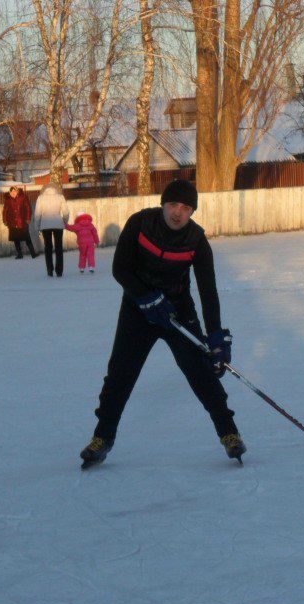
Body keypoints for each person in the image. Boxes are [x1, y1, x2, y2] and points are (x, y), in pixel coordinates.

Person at [79, 179, 245, 470]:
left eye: (185, 208)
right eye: (173, 205)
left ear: (192, 211)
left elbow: (208, 290)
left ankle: (229, 432)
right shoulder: (141, 224)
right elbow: (121, 268)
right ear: (163, 204)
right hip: (138, 309)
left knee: (201, 373)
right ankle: (102, 438)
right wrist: (145, 297)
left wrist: (216, 336)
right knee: (120, 374)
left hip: (177, 312)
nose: (177, 213)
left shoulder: (196, 241)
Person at [31, 182, 69, 277]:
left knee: (48, 248)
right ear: (56, 189)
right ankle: (59, 271)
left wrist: (37, 227)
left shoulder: (41, 198)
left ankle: (49, 270)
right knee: (59, 248)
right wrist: (64, 222)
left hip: (45, 225)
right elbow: (66, 212)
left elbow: (37, 214)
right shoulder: (60, 197)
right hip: (58, 224)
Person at [2, 186, 37, 259]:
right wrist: (5, 220)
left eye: (14, 192)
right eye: (11, 192)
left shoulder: (23, 197)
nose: (13, 193)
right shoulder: (8, 199)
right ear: (10, 192)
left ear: (17, 191)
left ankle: (33, 254)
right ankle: (19, 254)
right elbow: (5, 210)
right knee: (15, 239)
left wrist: (28, 218)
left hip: (22, 221)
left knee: (27, 238)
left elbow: (28, 208)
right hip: (12, 222)